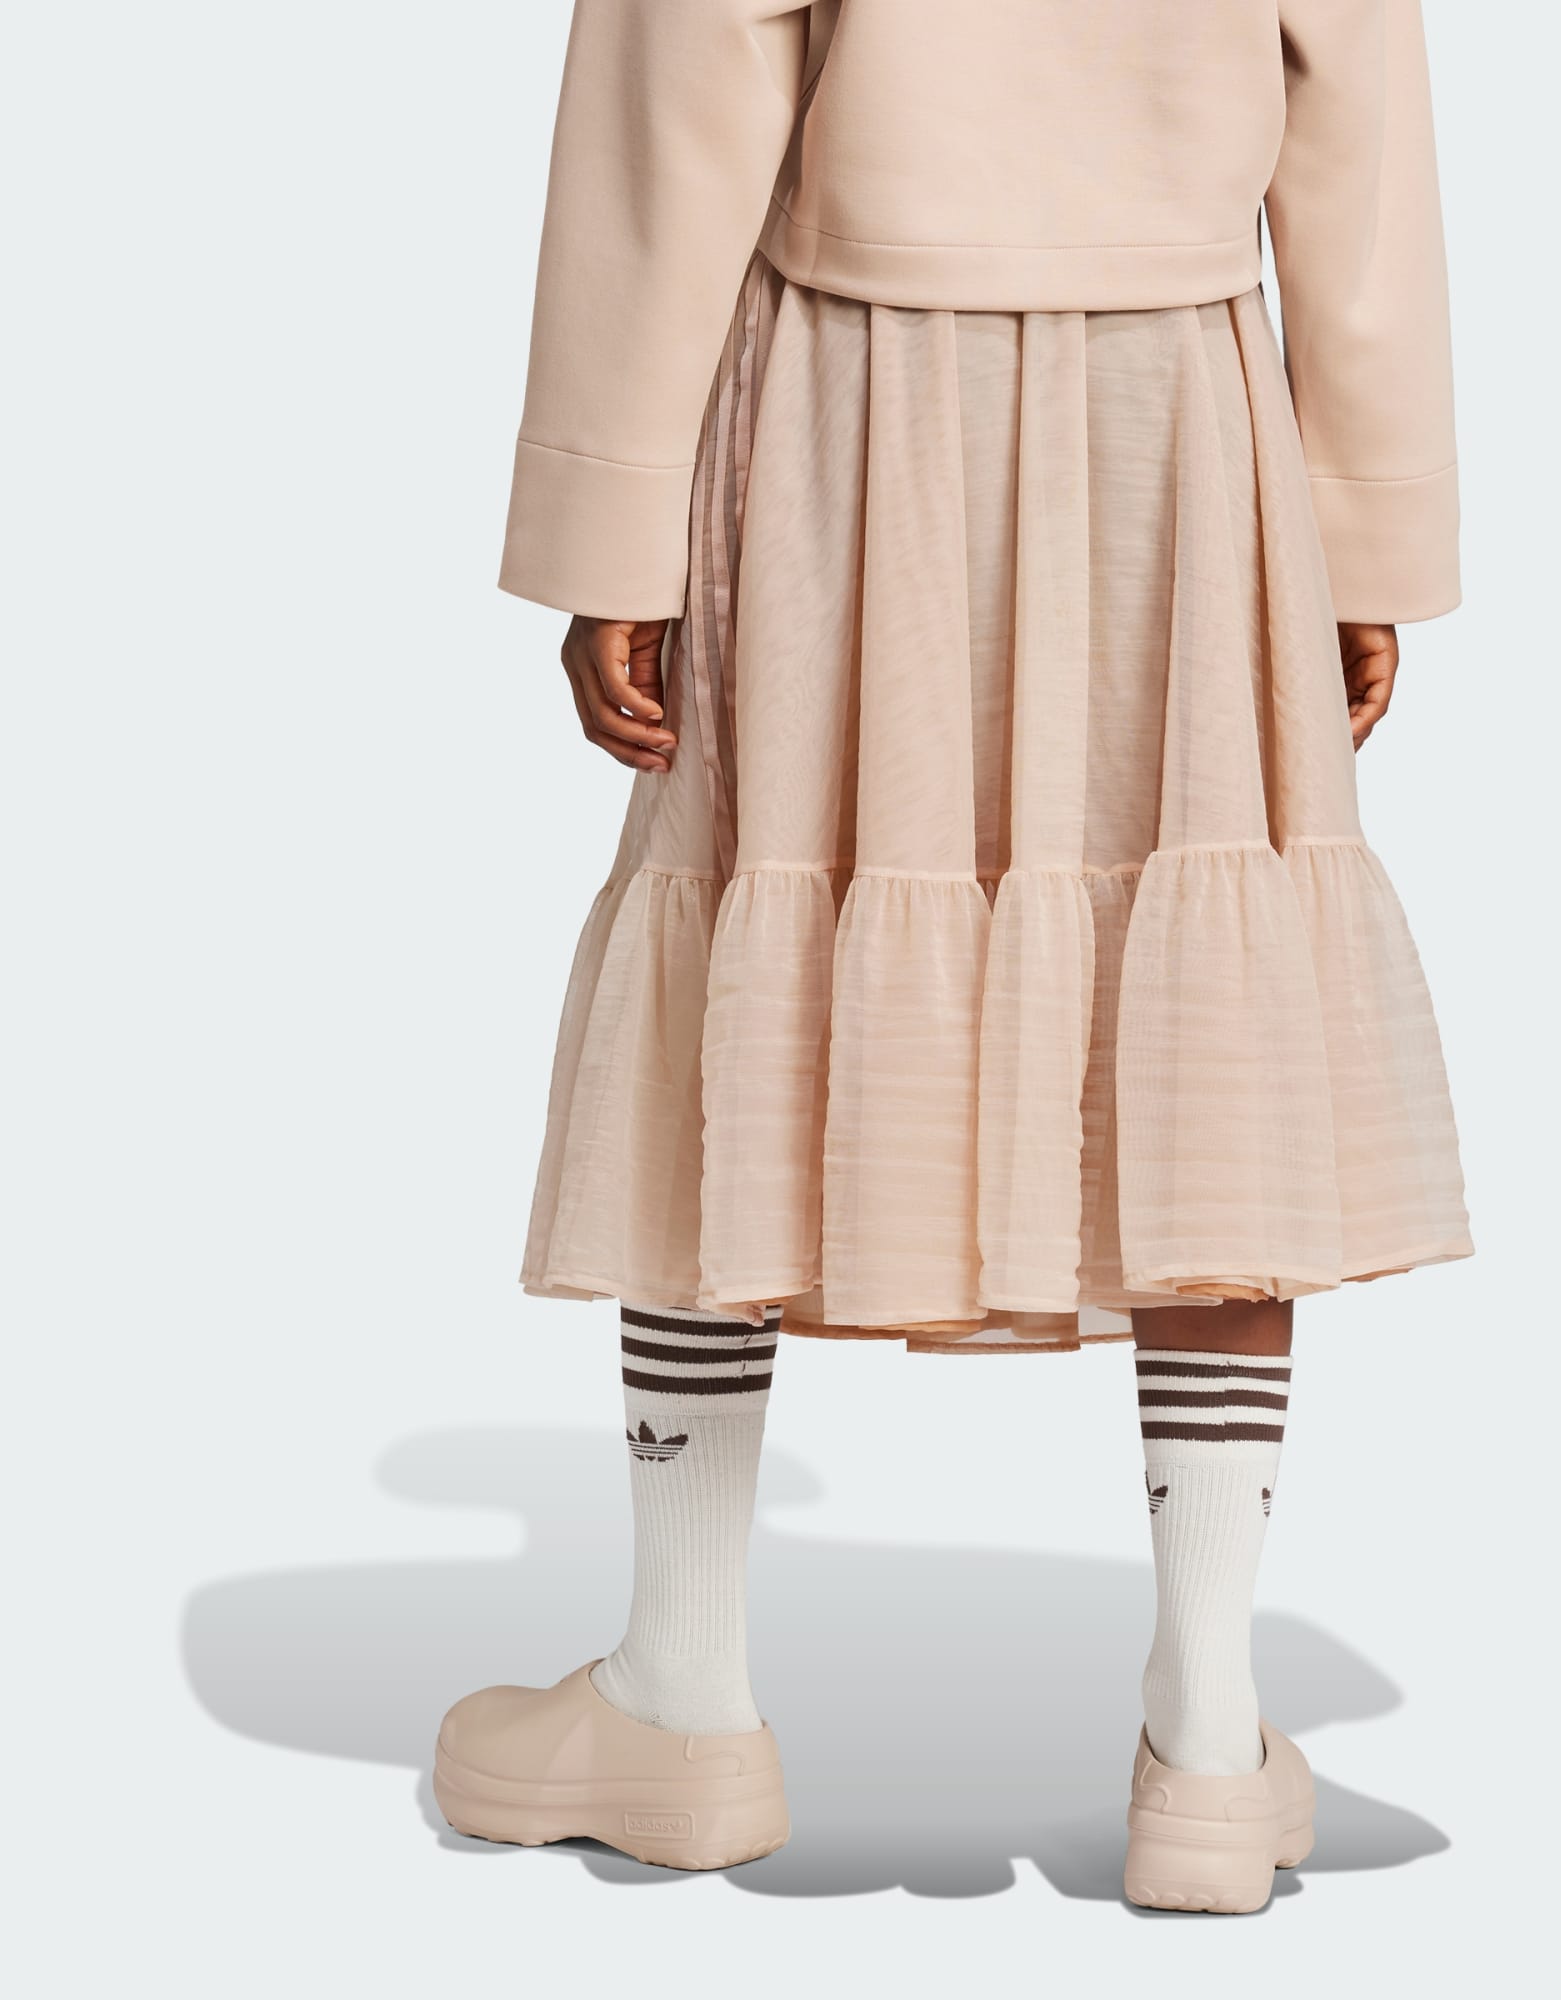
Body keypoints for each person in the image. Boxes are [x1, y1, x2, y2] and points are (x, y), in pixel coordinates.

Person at [434, 0, 1471, 1914]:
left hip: (845, 390)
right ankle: (1212, 1738)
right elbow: (1359, 100)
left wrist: (611, 514)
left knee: (751, 944)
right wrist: (1370, 524)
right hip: (1186, 393)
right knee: (1204, 993)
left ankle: (681, 1693)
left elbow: (685, 75)